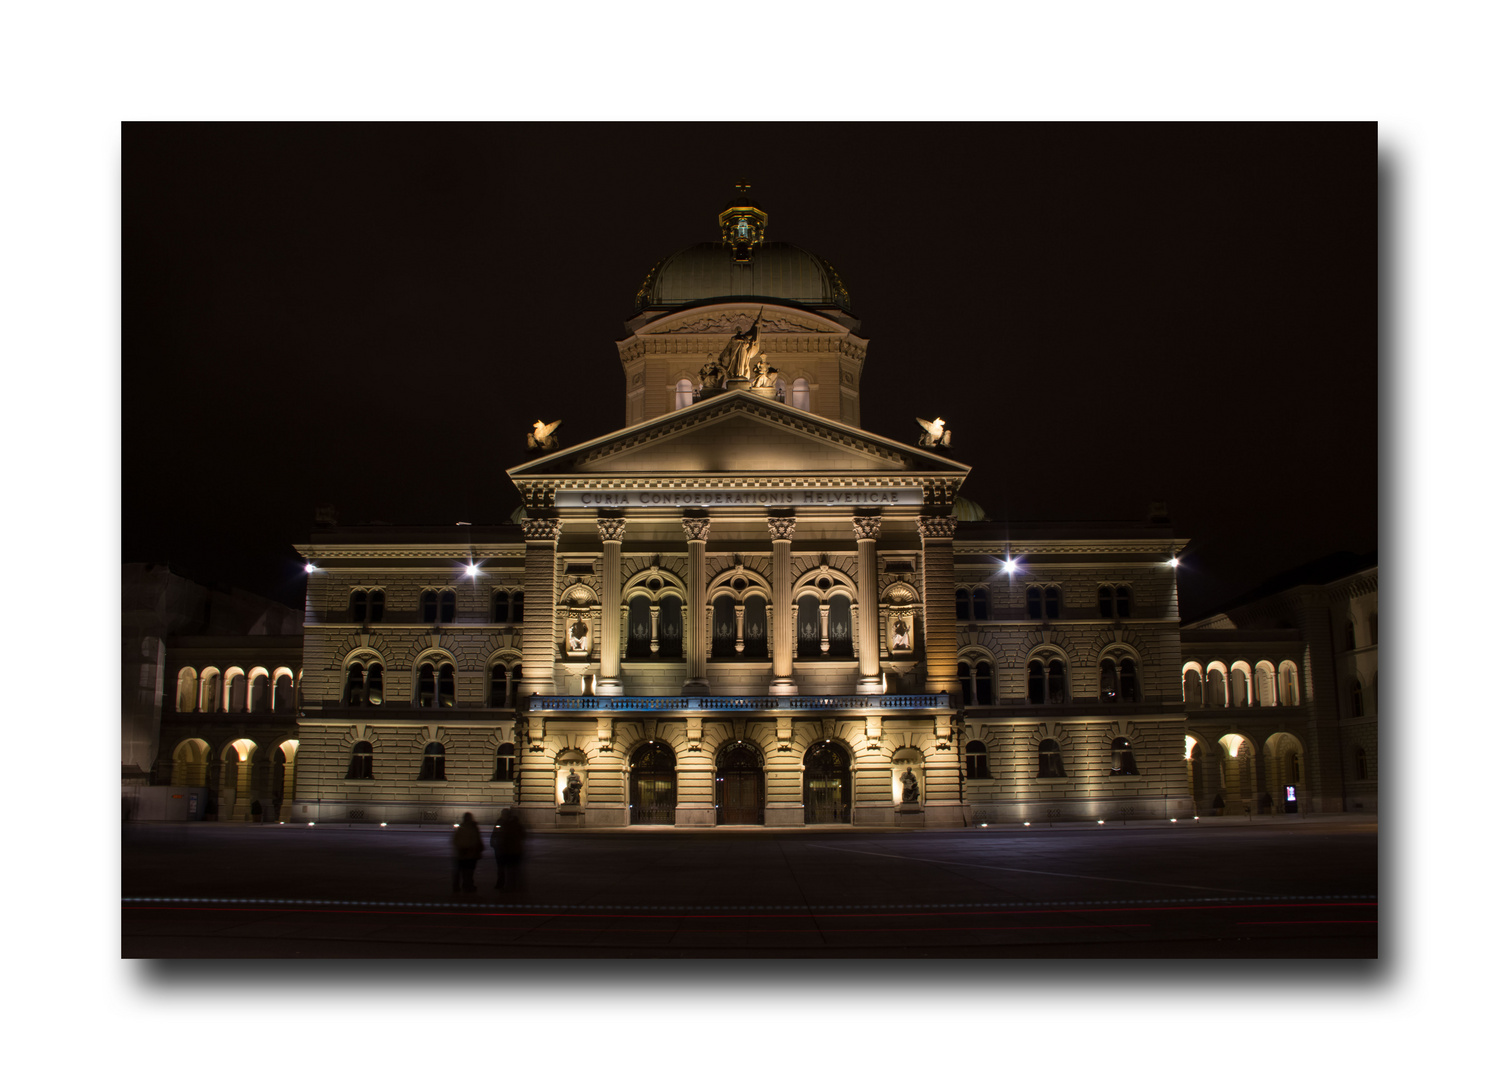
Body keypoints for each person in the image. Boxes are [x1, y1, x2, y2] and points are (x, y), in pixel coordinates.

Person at [493, 807, 527, 890]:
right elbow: (494, 834)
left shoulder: (513, 823)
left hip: (510, 850)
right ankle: (502, 883)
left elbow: (521, 835)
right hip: (503, 849)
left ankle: (510, 885)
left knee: (509, 869)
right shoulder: (501, 822)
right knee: (503, 869)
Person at [452, 811, 483, 894]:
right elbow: (476, 840)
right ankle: (467, 885)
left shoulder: (462, 827)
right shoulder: (473, 827)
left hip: (462, 852)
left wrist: (459, 847)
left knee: (461, 871)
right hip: (470, 852)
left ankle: (459, 886)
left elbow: (455, 840)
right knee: (469, 871)